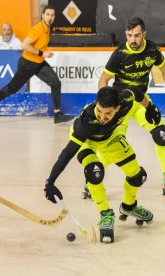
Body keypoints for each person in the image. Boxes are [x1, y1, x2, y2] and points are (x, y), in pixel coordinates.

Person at [44, 86, 160, 243]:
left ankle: (129, 206)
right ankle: (105, 214)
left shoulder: (125, 100)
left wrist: (149, 106)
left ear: (117, 108)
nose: (102, 117)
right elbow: (68, 152)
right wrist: (50, 182)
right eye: (99, 110)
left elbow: (137, 91)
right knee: (94, 172)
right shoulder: (88, 120)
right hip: (87, 142)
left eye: (108, 113)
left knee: (138, 176)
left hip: (109, 139)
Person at [98, 17, 165, 195]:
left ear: (144, 34)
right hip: (121, 103)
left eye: (136, 35)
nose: (133, 40)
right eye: (129, 35)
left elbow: (163, 69)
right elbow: (103, 80)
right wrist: (105, 106)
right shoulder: (119, 54)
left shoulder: (153, 50)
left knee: (162, 135)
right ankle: (92, 180)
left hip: (142, 101)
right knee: (112, 143)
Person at [0, 6, 73, 124]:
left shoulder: (47, 28)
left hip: (39, 63)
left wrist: (41, 55)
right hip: (28, 64)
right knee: (12, 88)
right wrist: (42, 53)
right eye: (48, 14)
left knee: (55, 82)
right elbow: (25, 45)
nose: (50, 17)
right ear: (42, 15)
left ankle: (57, 114)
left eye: (52, 15)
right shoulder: (38, 29)